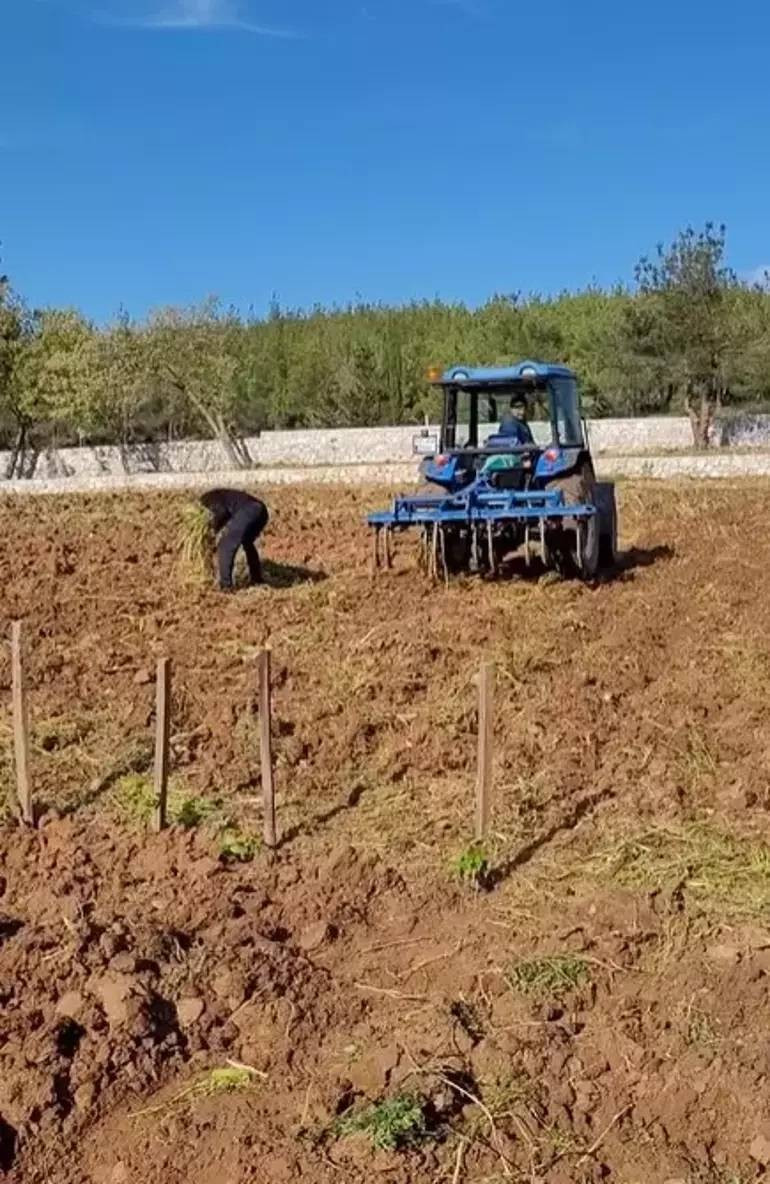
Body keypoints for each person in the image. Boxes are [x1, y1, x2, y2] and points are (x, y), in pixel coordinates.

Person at [199, 488, 269, 591]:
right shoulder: (220, 495)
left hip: (249, 510)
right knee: (247, 542)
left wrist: (213, 529)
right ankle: (257, 578)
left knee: (226, 544)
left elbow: (221, 511)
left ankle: (225, 586)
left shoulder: (206, 500)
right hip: (261, 511)